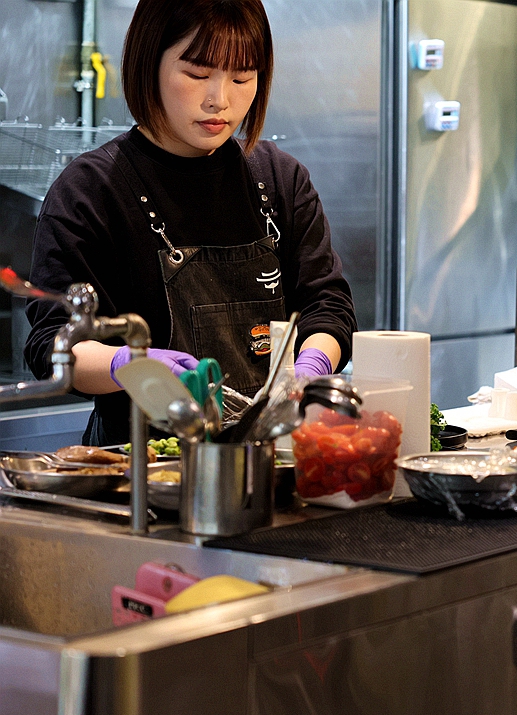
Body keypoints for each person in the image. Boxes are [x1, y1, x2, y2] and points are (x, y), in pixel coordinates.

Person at [24, 0, 356, 446]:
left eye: (242, 77)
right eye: (197, 74)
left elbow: (327, 305)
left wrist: (307, 369)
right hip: (139, 469)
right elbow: (53, 344)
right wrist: (130, 364)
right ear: (149, 63)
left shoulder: (278, 180)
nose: (220, 99)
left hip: (268, 454)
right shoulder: (91, 190)